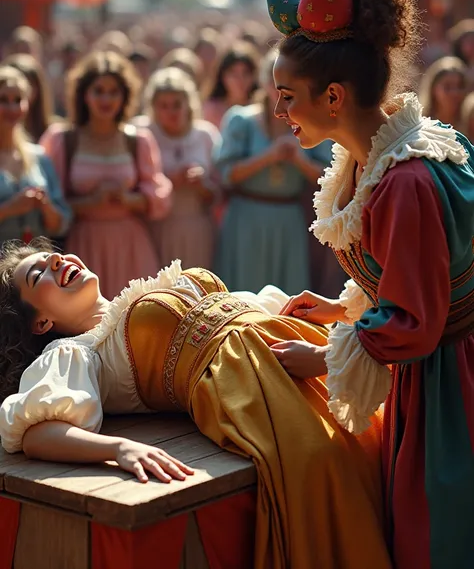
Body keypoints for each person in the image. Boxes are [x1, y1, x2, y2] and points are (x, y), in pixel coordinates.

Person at [264, 0, 474, 569]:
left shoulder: (404, 180)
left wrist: (325, 355)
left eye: (287, 97)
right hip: (434, 368)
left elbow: (414, 319)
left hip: (450, 386)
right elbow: (410, 275)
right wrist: (341, 309)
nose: (280, 112)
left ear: (333, 95)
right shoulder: (387, 158)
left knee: (437, 536)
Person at [0, 238, 391, 569]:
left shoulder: (145, 290)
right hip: (258, 391)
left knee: (386, 440)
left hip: (307, 349)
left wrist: (336, 310)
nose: (55, 261)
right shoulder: (78, 350)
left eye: (51, 257)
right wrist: (118, 447)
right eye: (39, 276)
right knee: (331, 466)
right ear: (41, 323)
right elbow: (38, 433)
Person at [40, 51, 172, 300]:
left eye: (114, 92)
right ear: (83, 95)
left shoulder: (138, 140)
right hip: (81, 248)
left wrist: (128, 199)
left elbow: (159, 195)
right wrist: (91, 202)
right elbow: (49, 202)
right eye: (98, 90)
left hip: (131, 247)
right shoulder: (63, 140)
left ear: (125, 96)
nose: (106, 99)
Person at [214, 49, 326, 294]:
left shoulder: (311, 125)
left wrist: (300, 160)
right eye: (276, 85)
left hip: (288, 219)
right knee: (244, 295)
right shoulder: (241, 120)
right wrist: (269, 156)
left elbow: (329, 179)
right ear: (264, 82)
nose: (281, 94)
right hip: (246, 219)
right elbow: (226, 174)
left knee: (286, 296)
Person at [135, 67, 220, 269]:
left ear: (188, 104)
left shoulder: (206, 135)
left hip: (197, 229)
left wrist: (201, 185)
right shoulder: (141, 134)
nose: (171, 112)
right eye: (164, 105)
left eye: (176, 104)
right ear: (153, 107)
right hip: (155, 229)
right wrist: (168, 182)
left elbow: (220, 192)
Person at [0, 67, 71, 247]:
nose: (12, 108)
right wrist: (9, 209)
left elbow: (61, 225)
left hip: (34, 267)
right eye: (3, 100)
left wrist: (45, 206)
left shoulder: (39, 157)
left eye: (18, 100)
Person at [202, 44, 259, 130]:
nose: (240, 80)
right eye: (233, 74)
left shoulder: (260, 110)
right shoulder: (210, 110)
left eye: (245, 73)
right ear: (222, 76)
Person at [418, 55, 468, 130]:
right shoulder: (420, 125)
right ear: (433, 89)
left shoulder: (469, 123)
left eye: (460, 86)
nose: (455, 93)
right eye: (447, 87)